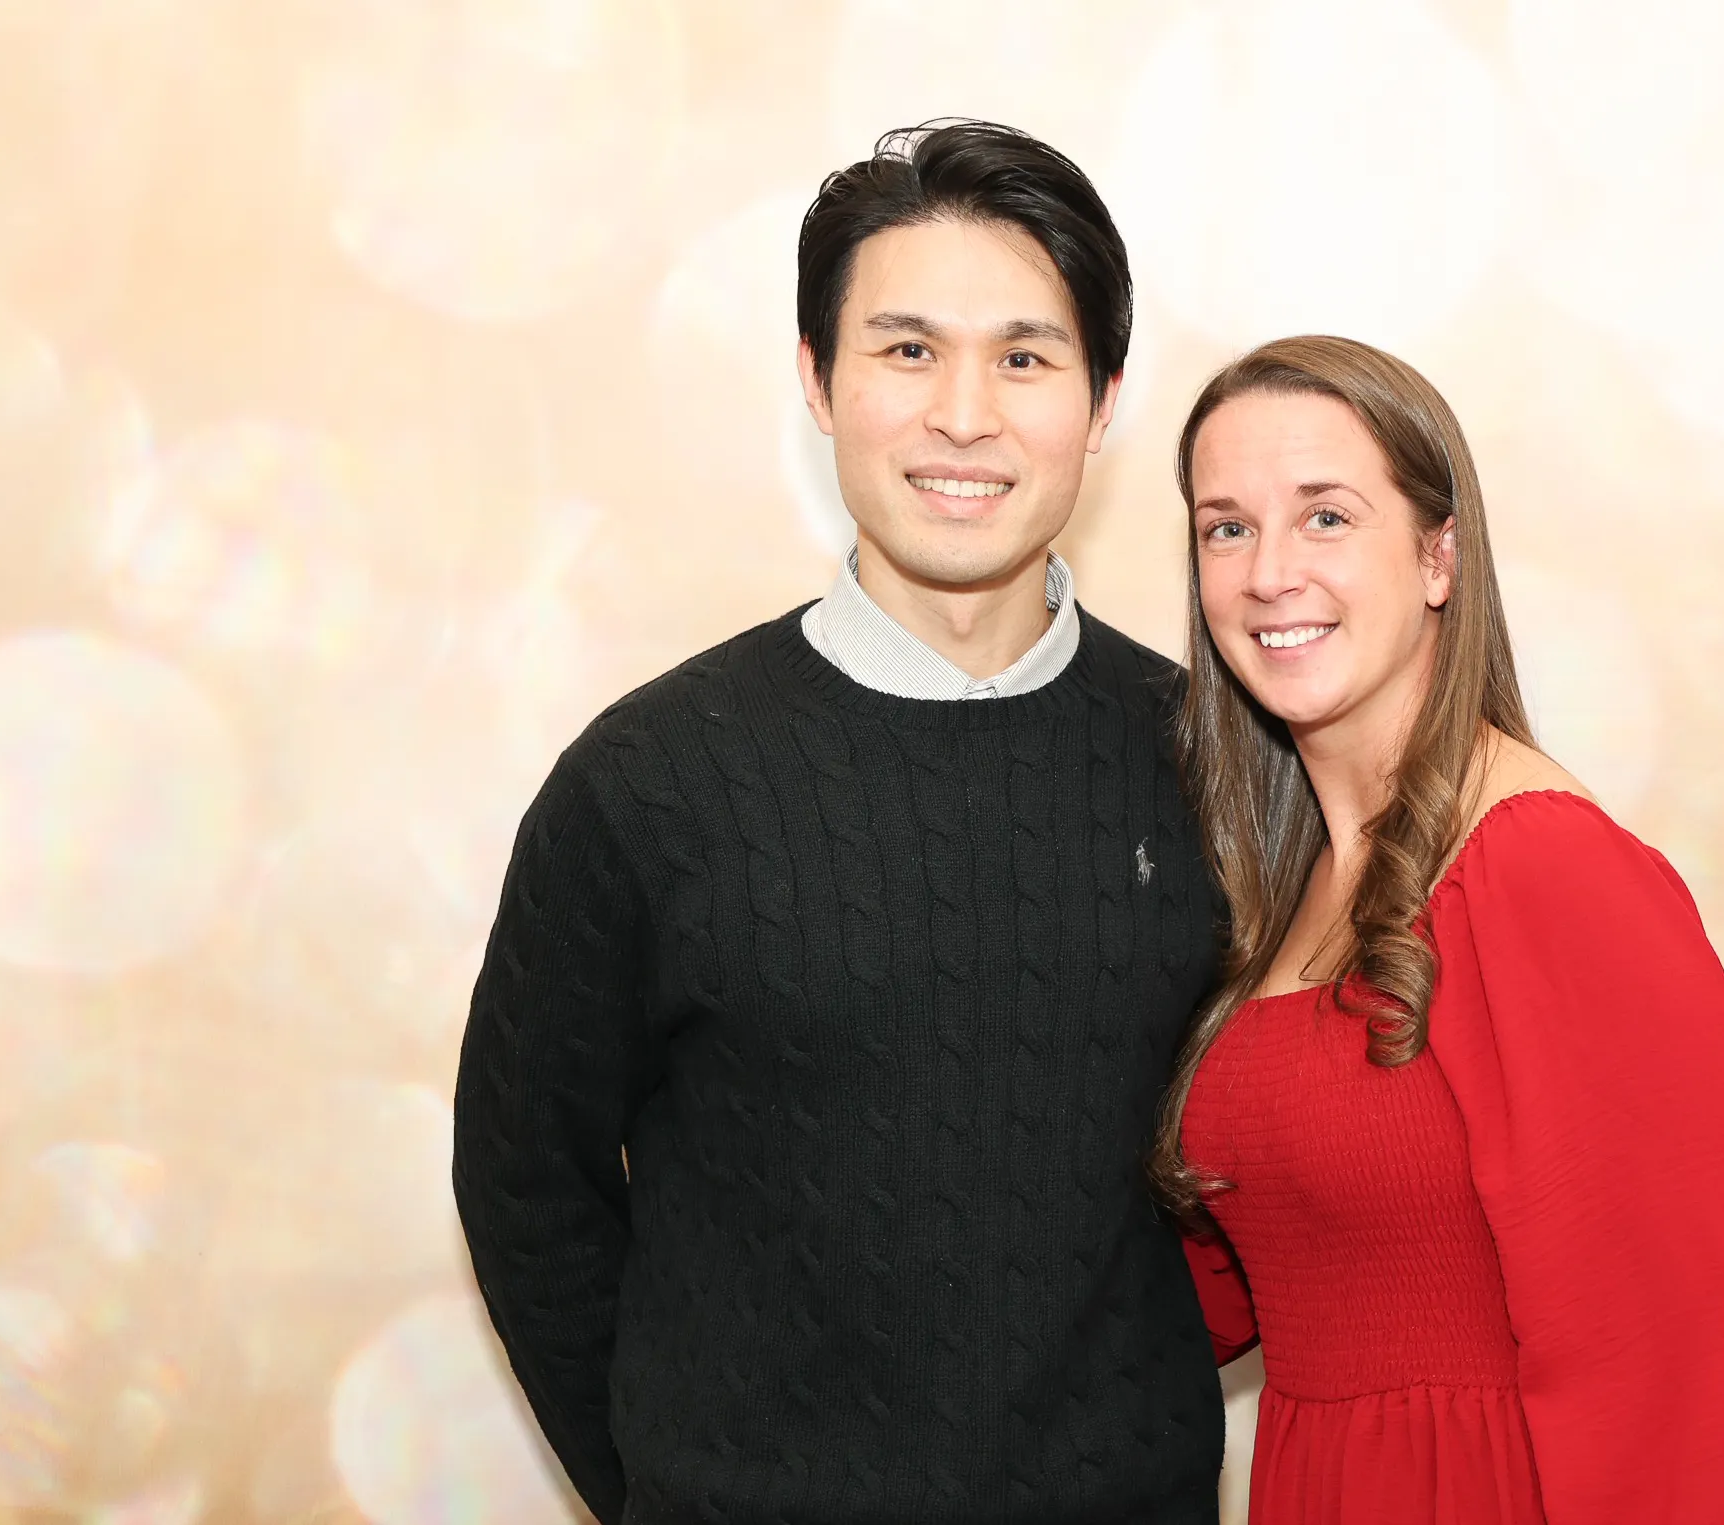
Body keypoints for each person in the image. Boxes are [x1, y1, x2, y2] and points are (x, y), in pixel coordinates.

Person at [451, 121, 1227, 1525]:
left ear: (1104, 401)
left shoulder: (1215, 765)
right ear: (818, 381)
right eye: (908, 349)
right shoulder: (649, 784)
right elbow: (527, 1184)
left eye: (1027, 357)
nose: (965, 415)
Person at [1157, 335, 1724, 1523]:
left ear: (1437, 557)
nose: (1267, 573)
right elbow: (1214, 1282)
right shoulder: (1278, 889)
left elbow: (1696, 1350)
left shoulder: (1546, 867)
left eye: (1324, 518)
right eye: (1226, 527)